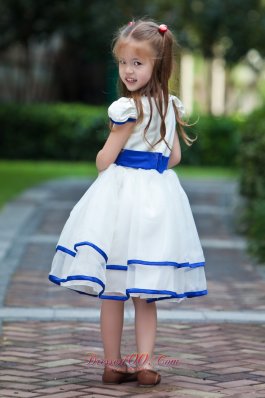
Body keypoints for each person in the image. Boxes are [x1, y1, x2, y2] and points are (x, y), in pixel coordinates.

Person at [49, 19, 207, 387]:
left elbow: (105, 160)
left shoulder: (125, 109)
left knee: (114, 288)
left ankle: (114, 363)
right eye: (123, 62)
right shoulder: (169, 106)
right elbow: (175, 159)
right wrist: (152, 166)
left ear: (157, 64)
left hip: (121, 201)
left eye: (137, 62)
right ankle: (146, 362)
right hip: (156, 200)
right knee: (144, 289)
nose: (128, 70)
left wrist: (113, 147)